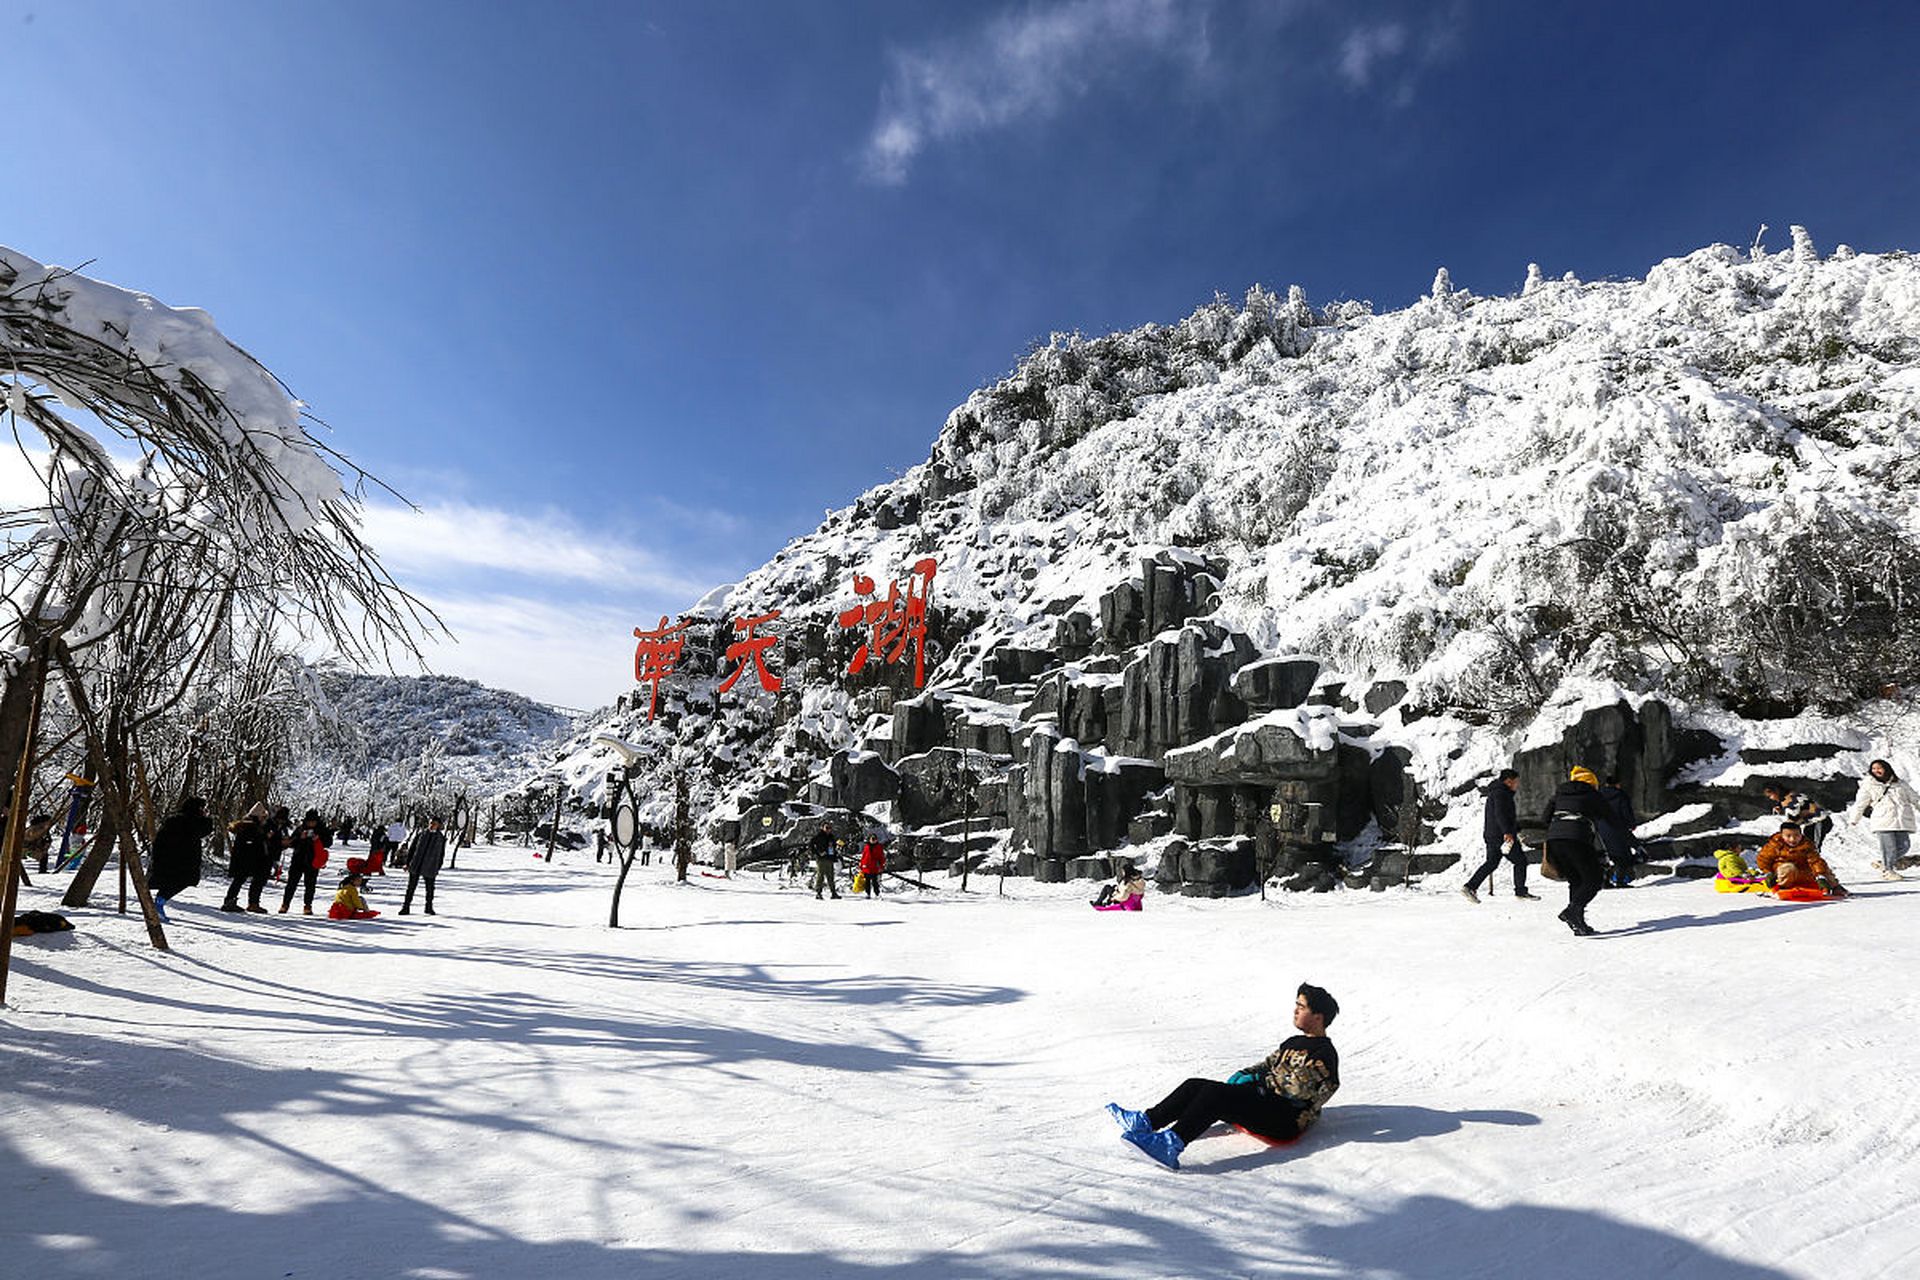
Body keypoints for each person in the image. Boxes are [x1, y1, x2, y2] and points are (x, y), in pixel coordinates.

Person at [1106, 984, 1341, 1171]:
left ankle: (1169, 1146)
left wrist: (1260, 1082)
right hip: (1263, 1102)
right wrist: (1246, 1074)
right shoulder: (1293, 1042)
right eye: (1296, 1005)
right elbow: (1267, 1064)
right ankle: (1146, 1122)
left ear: (1318, 1017)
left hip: (1284, 1119)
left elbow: (1298, 1089)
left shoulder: (1324, 1055)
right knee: (1195, 1085)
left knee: (1215, 1096)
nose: (1295, 1010)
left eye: (1301, 1006)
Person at [1539, 766, 1617, 937]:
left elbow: (1545, 818)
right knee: (1594, 879)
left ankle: (1578, 922)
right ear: (1591, 783)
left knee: (1576, 879)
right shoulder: (1592, 794)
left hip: (1555, 840)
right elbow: (1610, 818)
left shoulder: (1559, 794)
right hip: (1576, 838)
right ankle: (1572, 912)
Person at [1461, 769, 1536, 902]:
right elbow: (1500, 814)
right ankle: (1521, 891)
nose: (1517, 785)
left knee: (1492, 862)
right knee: (1520, 861)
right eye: (1516, 782)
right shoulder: (1502, 794)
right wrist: (1507, 831)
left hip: (1492, 834)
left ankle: (1470, 887)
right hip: (1502, 836)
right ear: (1508, 781)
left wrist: (1515, 828)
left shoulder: (1496, 793)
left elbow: (1502, 816)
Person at [1846, 759, 1919, 881]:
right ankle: (1888, 871)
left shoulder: (1900, 784)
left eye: (1879, 768)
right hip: (1882, 820)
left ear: (1886, 768)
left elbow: (1915, 799)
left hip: (1902, 820)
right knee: (1889, 847)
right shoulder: (1869, 785)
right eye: (1874, 768)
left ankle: (1884, 863)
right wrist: (1854, 819)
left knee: (1904, 846)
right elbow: (1860, 803)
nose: (1876, 770)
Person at [148, 796, 213, 922]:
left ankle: (159, 902)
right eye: (203, 808)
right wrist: (207, 818)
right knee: (183, 880)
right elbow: (205, 829)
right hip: (181, 861)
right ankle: (159, 903)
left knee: (172, 881)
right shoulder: (191, 821)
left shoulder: (174, 819)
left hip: (169, 858)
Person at [1755, 821, 1849, 898]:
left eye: (1796, 835)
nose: (1792, 839)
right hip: (1784, 873)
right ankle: (1781, 888)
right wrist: (1768, 873)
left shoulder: (1806, 845)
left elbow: (1815, 861)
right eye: (1788, 836)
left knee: (1822, 867)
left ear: (1801, 835)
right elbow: (1763, 859)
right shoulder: (1775, 845)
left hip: (1803, 873)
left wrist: (1820, 876)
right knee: (1788, 868)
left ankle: (1835, 887)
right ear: (1782, 835)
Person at [219, 803, 274, 913]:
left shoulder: (247, 826)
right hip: (246, 859)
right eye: (263, 817)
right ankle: (239, 902)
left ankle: (233, 901)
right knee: (242, 879)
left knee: (240, 880)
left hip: (243, 859)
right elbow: (252, 843)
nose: (264, 819)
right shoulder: (250, 826)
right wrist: (265, 837)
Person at [279, 809, 332, 915]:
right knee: (291, 884)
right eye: (309, 821)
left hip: (313, 861)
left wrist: (318, 839)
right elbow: (291, 843)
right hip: (298, 859)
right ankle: (285, 904)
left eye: (313, 821)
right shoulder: (300, 829)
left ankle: (308, 906)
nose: (310, 823)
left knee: (310, 885)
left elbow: (329, 843)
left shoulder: (322, 830)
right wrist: (300, 838)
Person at [1597, 775, 1640, 888]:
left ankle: (1605, 881)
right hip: (1618, 828)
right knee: (1622, 856)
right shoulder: (1621, 795)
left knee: (1605, 856)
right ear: (1617, 784)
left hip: (1601, 828)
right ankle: (1620, 881)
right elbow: (1626, 811)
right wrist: (1631, 824)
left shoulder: (1598, 795)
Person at [399, 816, 448, 915]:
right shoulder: (422, 834)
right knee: (411, 887)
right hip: (416, 863)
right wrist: (407, 863)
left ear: (438, 825)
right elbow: (412, 849)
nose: (431, 825)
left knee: (430, 888)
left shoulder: (440, 838)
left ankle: (428, 907)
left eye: (434, 824)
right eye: (430, 823)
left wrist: (438, 866)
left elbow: (441, 854)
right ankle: (406, 907)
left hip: (431, 865)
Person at [1762, 785, 1832, 851]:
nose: (1770, 798)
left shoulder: (1791, 800)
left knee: (1813, 847)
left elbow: (1796, 816)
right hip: (1811, 824)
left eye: (1770, 795)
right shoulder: (1788, 798)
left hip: (1819, 821)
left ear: (1776, 792)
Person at [809, 822, 841, 900]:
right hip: (821, 859)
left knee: (831, 876)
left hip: (830, 858)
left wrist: (836, 850)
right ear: (822, 828)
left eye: (829, 828)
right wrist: (818, 853)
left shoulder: (831, 837)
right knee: (821, 875)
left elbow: (833, 847)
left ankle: (833, 893)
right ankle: (818, 893)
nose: (828, 829)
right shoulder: (819, 836)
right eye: (827, 828)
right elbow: (811, 845)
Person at [857, 833, 885, 897]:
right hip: (866, 867)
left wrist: (881, 866)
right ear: (869, 839)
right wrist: (861, 865)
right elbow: (863, 856)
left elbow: (881, 857)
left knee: (875, 881)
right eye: (872, 839)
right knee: (867, 882)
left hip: (874, 867)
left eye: (874, 839)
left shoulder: (879, 847)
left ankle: (877, 893)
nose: (873, 840)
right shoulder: (866, 846)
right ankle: (867, 893)